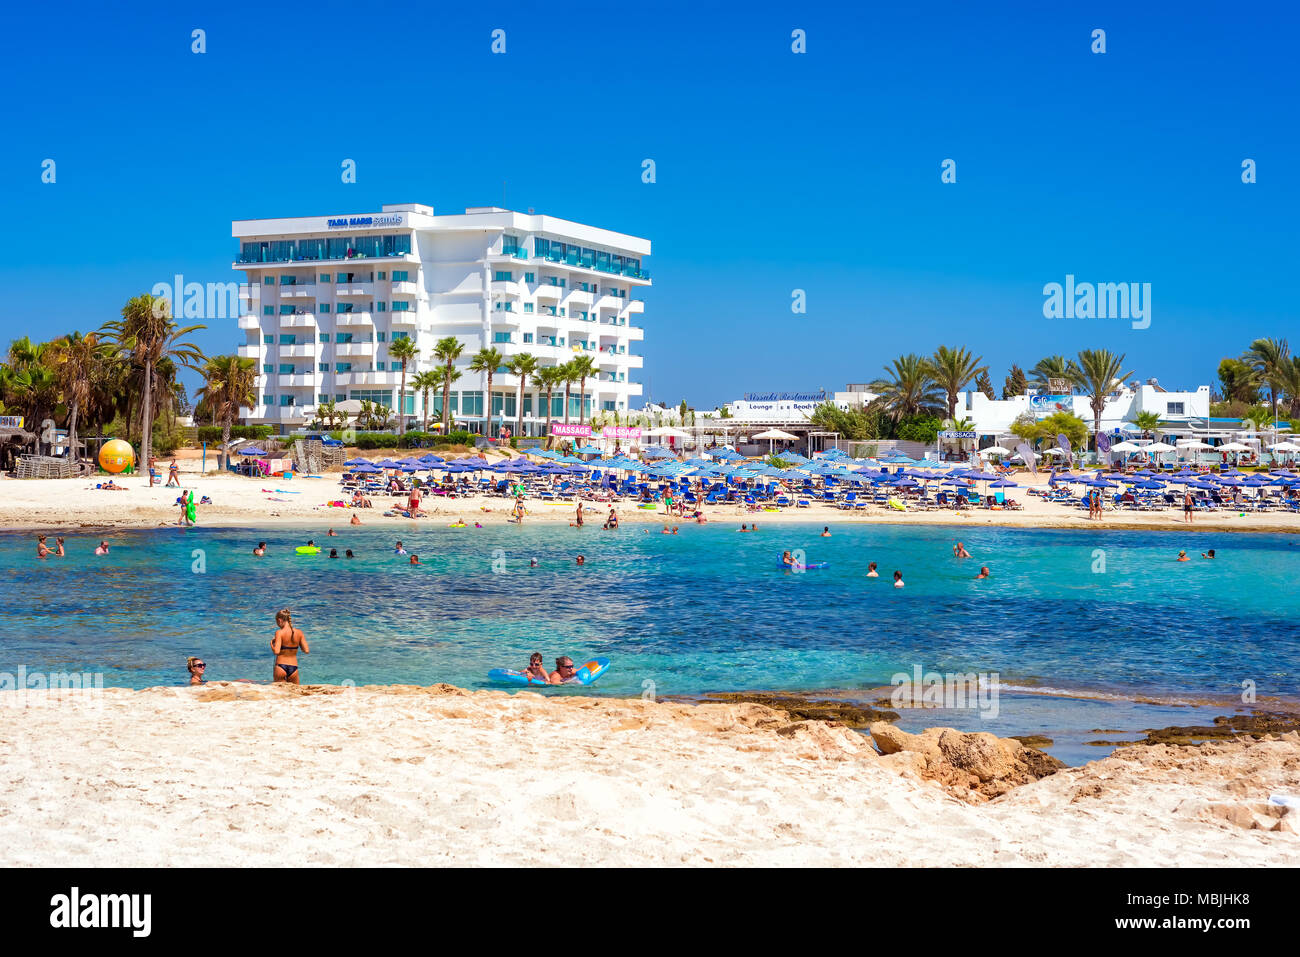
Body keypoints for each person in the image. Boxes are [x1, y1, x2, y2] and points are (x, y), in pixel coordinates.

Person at [271, 608, 308, 683]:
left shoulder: (279, 632)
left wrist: (271, 644)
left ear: (279, 620)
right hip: (294, 667)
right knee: (295, 693)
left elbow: (277, 651)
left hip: (281, 667)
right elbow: (306, 650)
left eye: (277, 622)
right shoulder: (299, 632)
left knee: (280, 693)